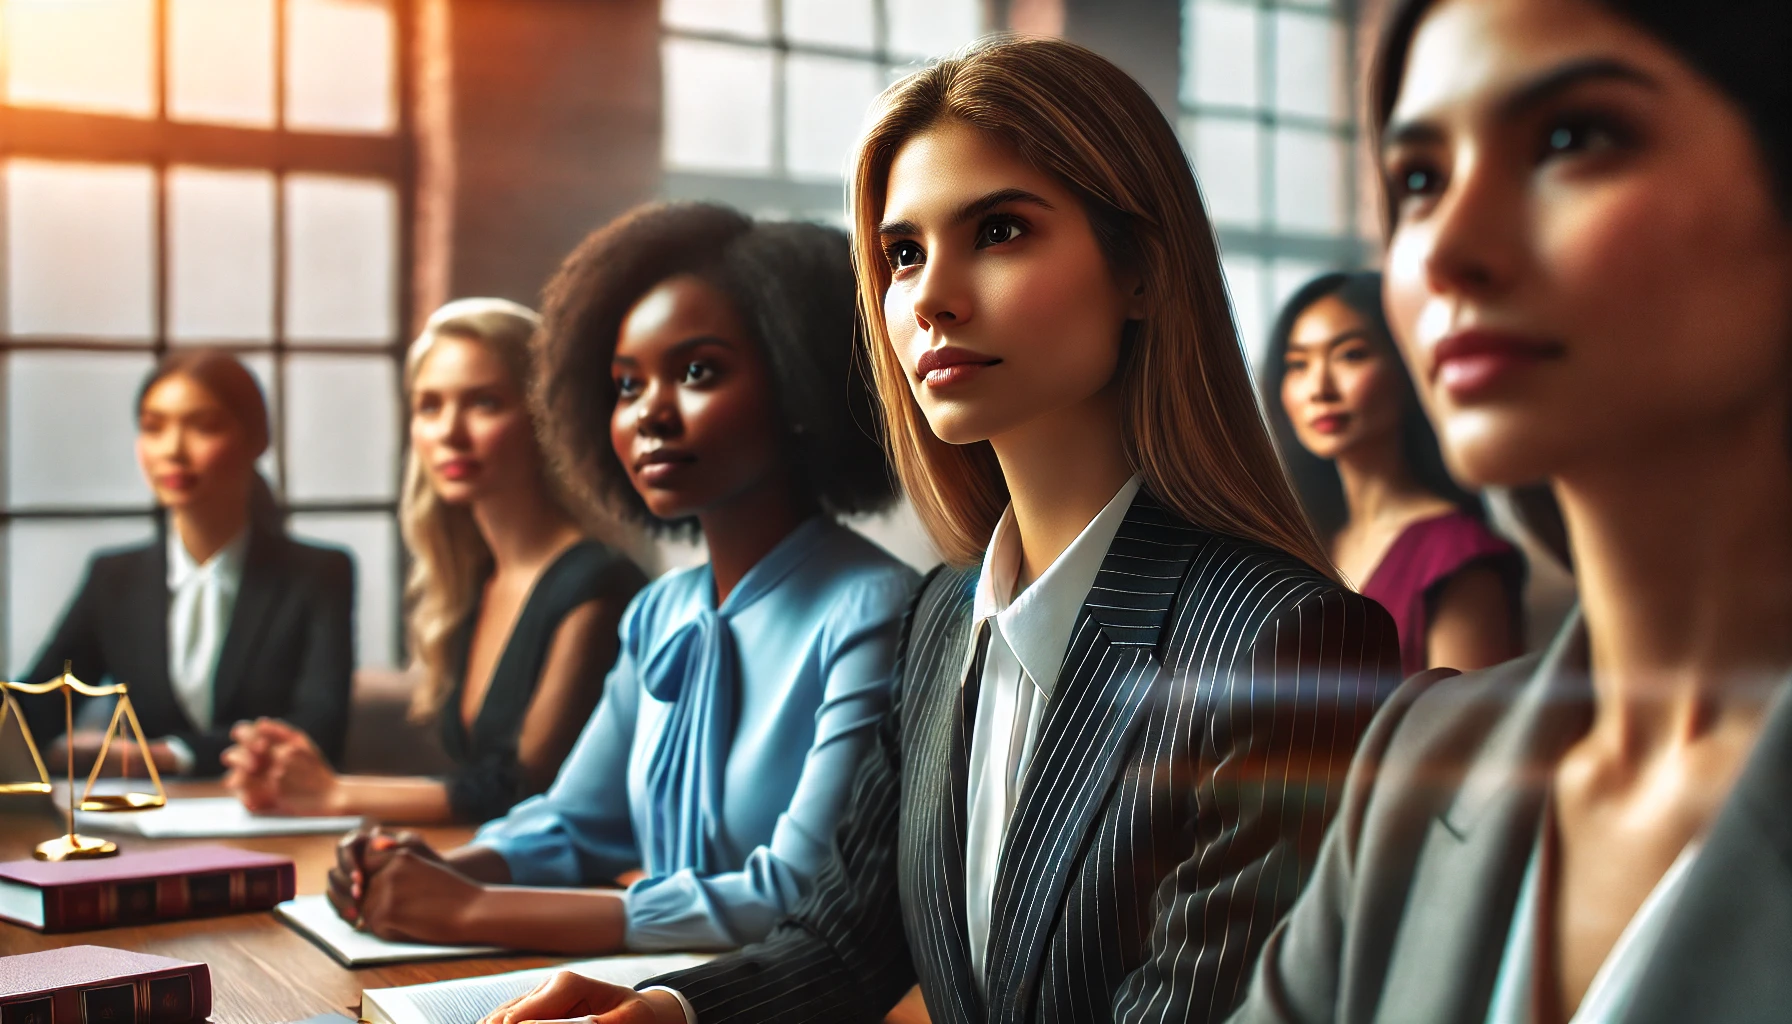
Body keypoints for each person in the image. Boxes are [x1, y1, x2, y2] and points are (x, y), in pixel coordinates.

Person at [479, 37, 1402, 1024]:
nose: (929, 297)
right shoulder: (938, 617)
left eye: (1000, 230)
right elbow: (843, 945)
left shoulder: (1283, 641)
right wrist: (663, 1011)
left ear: (1140, 271)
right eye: (902, 253)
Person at [1231, 0, 1792, 1021]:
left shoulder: (1448, 571)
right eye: (1417, 180)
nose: (1445, 242)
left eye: (1570, 138)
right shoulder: (1418, 766)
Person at [321, 206, 919, 957]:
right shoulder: (658, 611)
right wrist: (424, 867)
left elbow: (799, 894)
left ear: (800, 383)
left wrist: (472, 912)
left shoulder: (876, 608)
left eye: (698, 372)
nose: (650, 415)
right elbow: (577, 822)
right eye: (627, 385)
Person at [223, 298, 646, 824]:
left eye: (484, 403)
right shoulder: (477, 580)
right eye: (429, 406)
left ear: (545, 417)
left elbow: (527, 790)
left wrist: (333, 792)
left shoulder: (599, 582)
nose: (449, 431)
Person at [21, 350, 353, 778]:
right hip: (141, 825)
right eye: (153, 428)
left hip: (274, 816)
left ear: (257, 439)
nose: (173, 450)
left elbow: (319, 730)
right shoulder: (114, 579)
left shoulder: (318, 574)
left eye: (203, 426)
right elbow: (36, 709)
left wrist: (166, 756)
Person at [1264, 271, 1524, 674]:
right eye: (1298, 364)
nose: (1319, 388)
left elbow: (1465, 733)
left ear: (1407, 367)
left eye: (1350, 355)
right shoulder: (1300, 546)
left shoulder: (1456, 556)